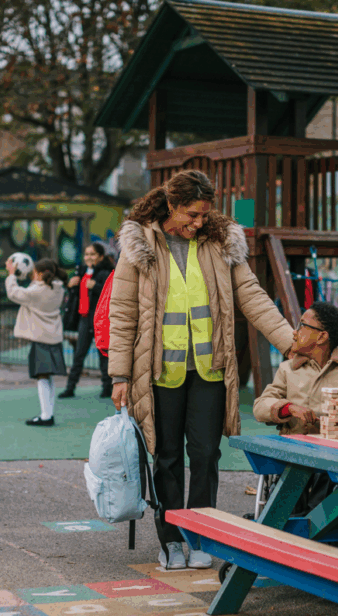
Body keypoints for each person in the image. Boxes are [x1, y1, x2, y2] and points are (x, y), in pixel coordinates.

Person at [109, 169, 294, 570]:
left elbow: (252, 295)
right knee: (168, 457)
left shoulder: (220, 242)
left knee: (207, 454)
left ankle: (202, 534)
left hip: (210, 370)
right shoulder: (140, 243)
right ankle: (172, 539)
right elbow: (121, 313)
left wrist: (291, 343)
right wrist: (120, 376)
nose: (198, 222)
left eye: (204, 215)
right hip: (160, 373)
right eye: (191, 214)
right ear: (171, 206)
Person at [254, 302, 338, 435]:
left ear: (321, 337)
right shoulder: (288, 369)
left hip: (337, 447)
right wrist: (288, 408)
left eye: (302, 325)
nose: (294, 332)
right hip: (293, 446)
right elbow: (261, 406)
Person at [6, 257, 68, 427]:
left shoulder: (35, 293)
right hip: (53, 337)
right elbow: (35, 287)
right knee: (49, 377)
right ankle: (49, 413)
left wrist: (11, 274)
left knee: (41, 377)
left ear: (40, 274)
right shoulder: (58, 288)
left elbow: (13, 293)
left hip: (40, 338)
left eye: (34, 273)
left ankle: (46, 416)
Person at [60, 243, 115, 399]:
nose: (88, 257)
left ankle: (107, 388)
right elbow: (76, 296)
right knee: (79, 355)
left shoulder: (106, 273)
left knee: (103, 355)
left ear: (100, 256)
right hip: (84, 319)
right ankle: (70, 388)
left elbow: (111, 294)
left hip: (100, 320)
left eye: (92, 254)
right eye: (86, 254)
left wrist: (96, 286)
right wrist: (71, 286)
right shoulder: (82, 272)